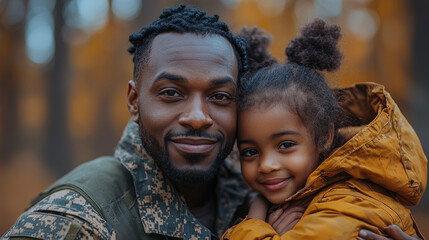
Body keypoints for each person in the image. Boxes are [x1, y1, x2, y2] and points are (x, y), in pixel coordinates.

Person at [1, 4, 422, 240]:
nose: (199, 117)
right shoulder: (76, 219)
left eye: (220, 97)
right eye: (171, 93)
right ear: (134, 100)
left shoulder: (269, 184)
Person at [221, 19, 426, 239]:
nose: (266, 165)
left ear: (324, 137)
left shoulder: (349, 202)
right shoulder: (299, 197)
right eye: (250, 152)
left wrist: (254, 223)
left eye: (286, 145)